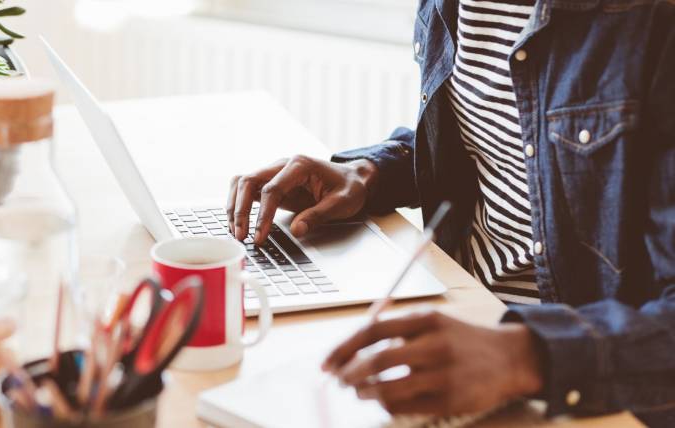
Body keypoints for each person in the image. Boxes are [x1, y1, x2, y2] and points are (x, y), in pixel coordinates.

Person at [226, 0, 675, 426]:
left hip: (578, 384)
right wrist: (369, 172)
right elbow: (497, 148)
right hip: (459, 315)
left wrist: (525, 355)